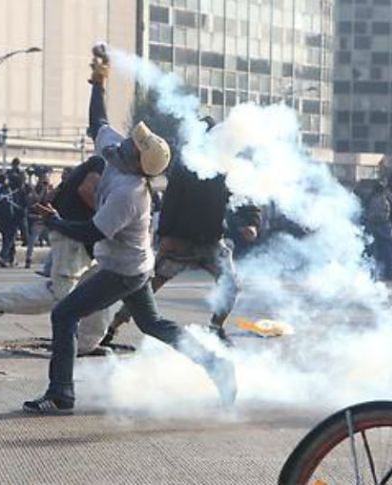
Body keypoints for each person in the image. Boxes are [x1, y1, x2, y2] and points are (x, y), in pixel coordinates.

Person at [21, 44, 236, 414]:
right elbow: (97, 123)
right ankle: (216, 365)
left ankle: (61, 393)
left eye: (134, 143)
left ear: (140, 159)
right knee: (154, 324)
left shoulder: (130, 192)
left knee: (64, 314)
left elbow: (92, 234)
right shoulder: (118, 154)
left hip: (122, 269)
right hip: (134, 264)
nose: (127, 140)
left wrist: (54, 220)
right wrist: (97, 80)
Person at [101, 116, 262, 348]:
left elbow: (245, 195)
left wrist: (251, 222)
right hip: (180, 241)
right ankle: (112, 328)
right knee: (144, 287)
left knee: (231, 284)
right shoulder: (185, 165)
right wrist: (165, 235)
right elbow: (171, 202)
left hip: (212, 241)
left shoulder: (226, 164)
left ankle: (216, 328)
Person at [0, 155, 111, 356]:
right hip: (74, 236)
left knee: (97, 289)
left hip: (83, 236)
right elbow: (87, 191)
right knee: (60, 294)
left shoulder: (90, 167)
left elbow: (53, 195)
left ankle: (86, 344)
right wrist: (110, 218)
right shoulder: (102, 163)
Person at [0, 172, 26, 267]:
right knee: (10, 237)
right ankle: (3, 256)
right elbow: (24, 206)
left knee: (9, 237)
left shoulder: (4, 189)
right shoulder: (19, 191)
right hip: (12, 218)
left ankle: (11, 258)